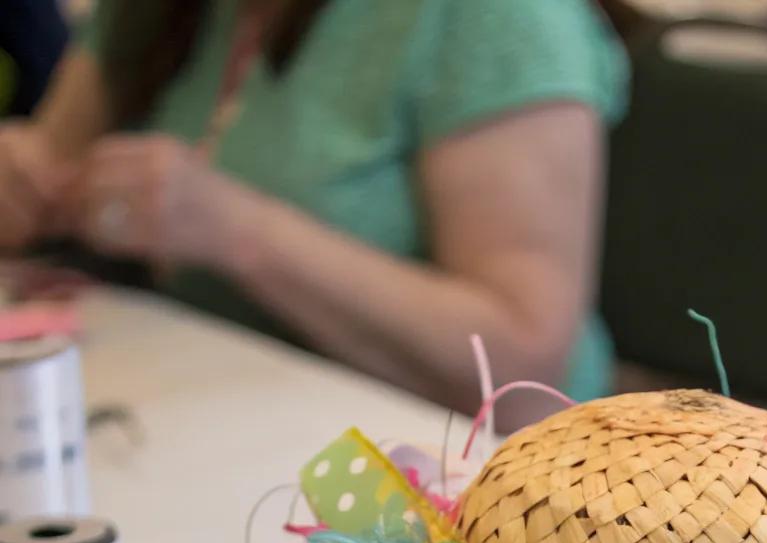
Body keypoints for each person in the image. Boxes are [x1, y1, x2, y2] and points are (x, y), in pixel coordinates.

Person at [0, 0, 630, 415]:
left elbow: (524, 359)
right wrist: (21, 187)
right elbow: (44, 178)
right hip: (222, 412)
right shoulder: (158, 14)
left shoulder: (494, 18)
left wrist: (239, 231)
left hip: (453, 474)